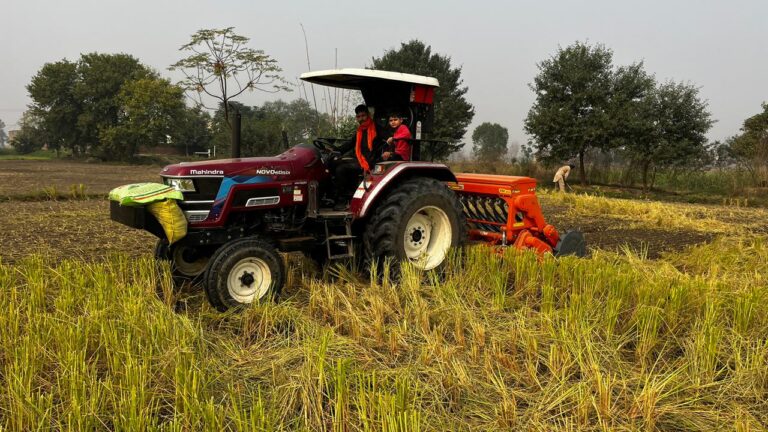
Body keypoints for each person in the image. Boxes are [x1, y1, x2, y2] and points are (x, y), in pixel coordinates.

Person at [329, 104, 385, 206]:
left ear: (368, 115)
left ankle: (343, 199)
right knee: (332, 162)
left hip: (370, 160)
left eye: (363, 116)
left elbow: (386, 142)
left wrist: (386, 153)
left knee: (341, 169)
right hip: (359, 158)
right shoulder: (360, 131)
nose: (361, 119)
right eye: (359, 117)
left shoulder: (377, 128)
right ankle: (332, 195)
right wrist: (335, 150)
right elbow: (350, 144)